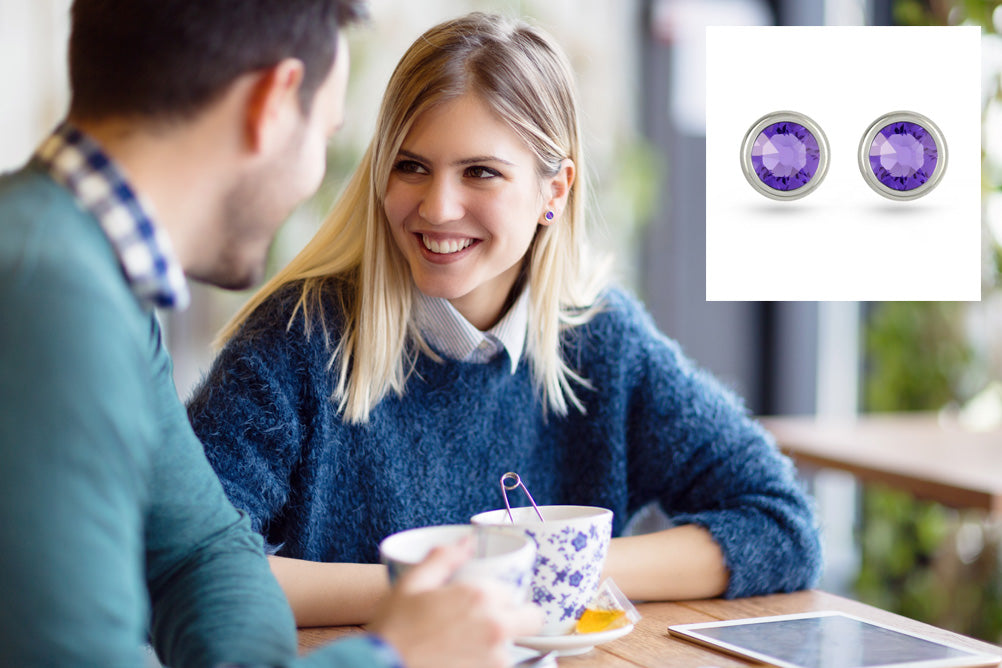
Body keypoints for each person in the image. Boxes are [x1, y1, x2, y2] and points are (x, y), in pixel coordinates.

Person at [187, 12, 824, 628]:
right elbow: (193, 568)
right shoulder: (298, 337)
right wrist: (461, 583)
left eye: (480, 173)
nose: (437, 207)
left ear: (554, 191)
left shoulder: (602, 341)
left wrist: (549, 568)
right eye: (412, 166)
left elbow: (781, 527)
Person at [0, 2, 541, 667]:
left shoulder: (93, 278)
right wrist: (394, 657)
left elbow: (197, 550)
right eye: (328, 133)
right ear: (273, 103)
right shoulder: (46, 298)